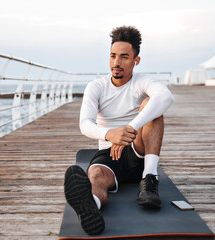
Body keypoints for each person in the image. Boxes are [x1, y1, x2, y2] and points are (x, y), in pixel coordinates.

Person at [64, 26, 174, 235]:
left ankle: (150, 179)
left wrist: (129, 129)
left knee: (152, 107)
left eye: (124, 57)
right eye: (113, 56)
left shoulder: (142, 81)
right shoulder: (96, 86)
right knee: (95, 176)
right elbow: (84, 124)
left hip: (137, 149)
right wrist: (110, 134)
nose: (116, 62)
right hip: (109, 153)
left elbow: (165, 97)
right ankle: (91, 206)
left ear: (136, 60)